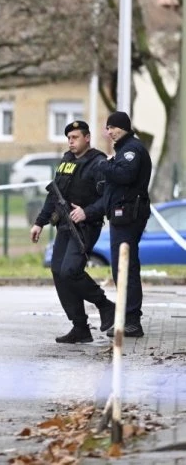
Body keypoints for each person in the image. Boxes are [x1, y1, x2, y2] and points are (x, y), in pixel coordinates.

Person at [29, 120, 116, 344]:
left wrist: (87, 212)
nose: (71, 142)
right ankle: (80, 327)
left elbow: (108, 199)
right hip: (65, 226)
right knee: (58, 271)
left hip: (86, 227)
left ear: (87, 138)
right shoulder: (66, 161)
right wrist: (39, 222)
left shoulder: (97, 163)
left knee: (70, 271)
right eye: (68, 138)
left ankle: (105, 305)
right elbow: (54, 194)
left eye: (75, 137)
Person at [88, 111, 152, 338]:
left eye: (112, 127)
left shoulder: (132, 150)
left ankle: (132, 321)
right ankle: (127, 318)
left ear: (123, 127)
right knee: (121, 267)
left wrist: (104, 166)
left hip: (128, 216)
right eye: (107, 128)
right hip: (121, 216)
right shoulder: (124, 150)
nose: (109, 131)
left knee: (126, 267)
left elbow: (124, 176)